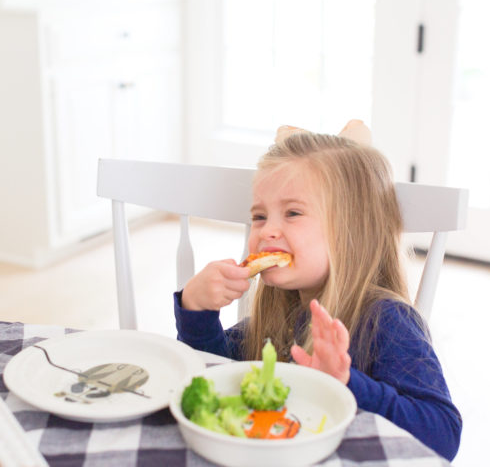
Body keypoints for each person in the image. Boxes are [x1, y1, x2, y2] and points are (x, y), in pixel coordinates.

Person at [173, 121, 462, 461]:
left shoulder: (387, 320)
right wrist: (197, 312)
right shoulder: (276, 314)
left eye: (292, 213)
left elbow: (443, 435)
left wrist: (345, 381)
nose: (267, 231)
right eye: (260, 216)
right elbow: (212, 380)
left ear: (351, 231)